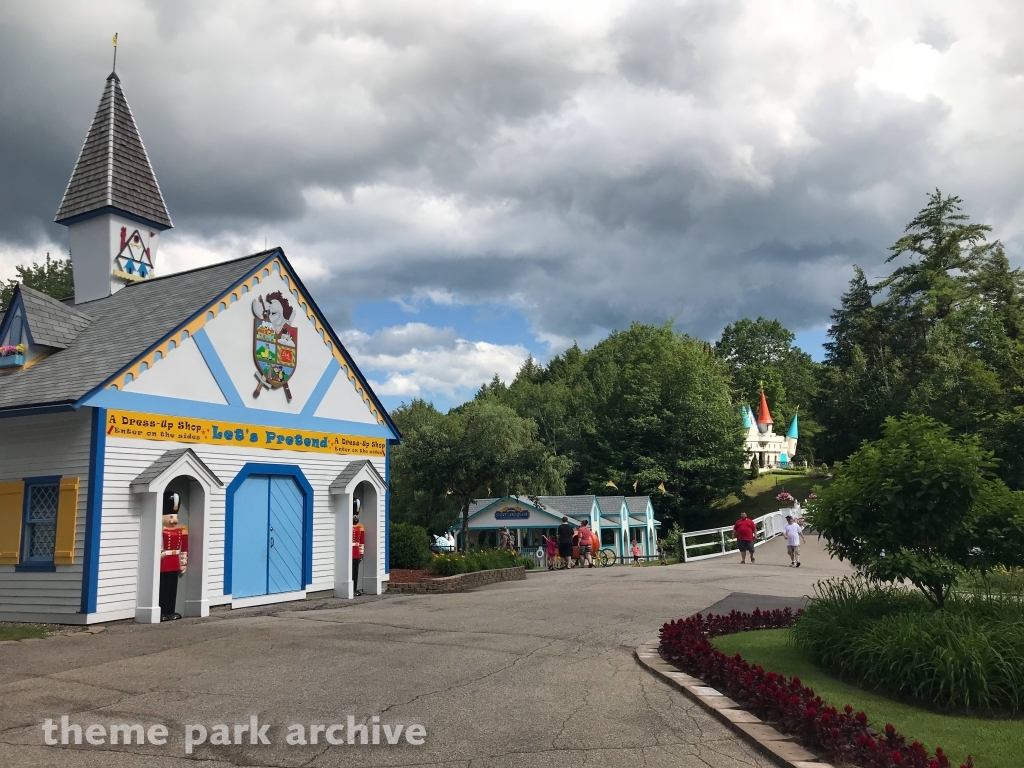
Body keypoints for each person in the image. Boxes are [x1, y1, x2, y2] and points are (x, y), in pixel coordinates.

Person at [159, 492, 187, 622]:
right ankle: (162, 611)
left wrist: (183, 562)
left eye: (176, 516)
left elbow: (183, 547)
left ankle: (171, 610)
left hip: (174, 561)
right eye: (171, 516)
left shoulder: (181, 531)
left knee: (172, 587)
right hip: (164, 562)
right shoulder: (161, 531)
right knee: (163, 587)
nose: (174, 520)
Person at [352, 501, 365, 595]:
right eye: (354, 516)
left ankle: (354, 588)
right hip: (349, 551)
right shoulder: (348, 526)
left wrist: (361, 552)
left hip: (356, 551)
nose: (356, 518)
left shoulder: (360, 527)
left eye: (357, 516)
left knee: (355, 571)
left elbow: (362, 541)